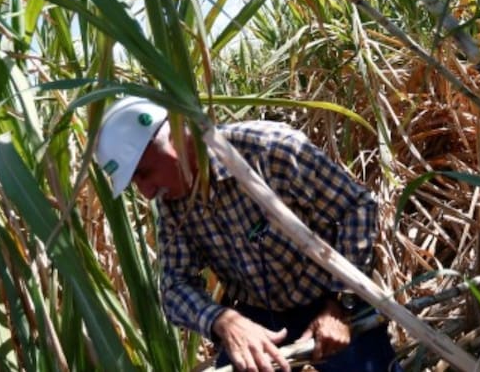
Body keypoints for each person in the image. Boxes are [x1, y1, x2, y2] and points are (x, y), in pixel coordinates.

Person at [95, 96, 402, 372]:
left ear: (175, 133)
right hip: (255, 318)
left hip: (329, 297)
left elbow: (355, 206)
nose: (147, 193)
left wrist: (342, 303)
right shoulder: (173, 202)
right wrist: (223, 321)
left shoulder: (270, 150)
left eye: (145, 173)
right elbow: (175, 285)